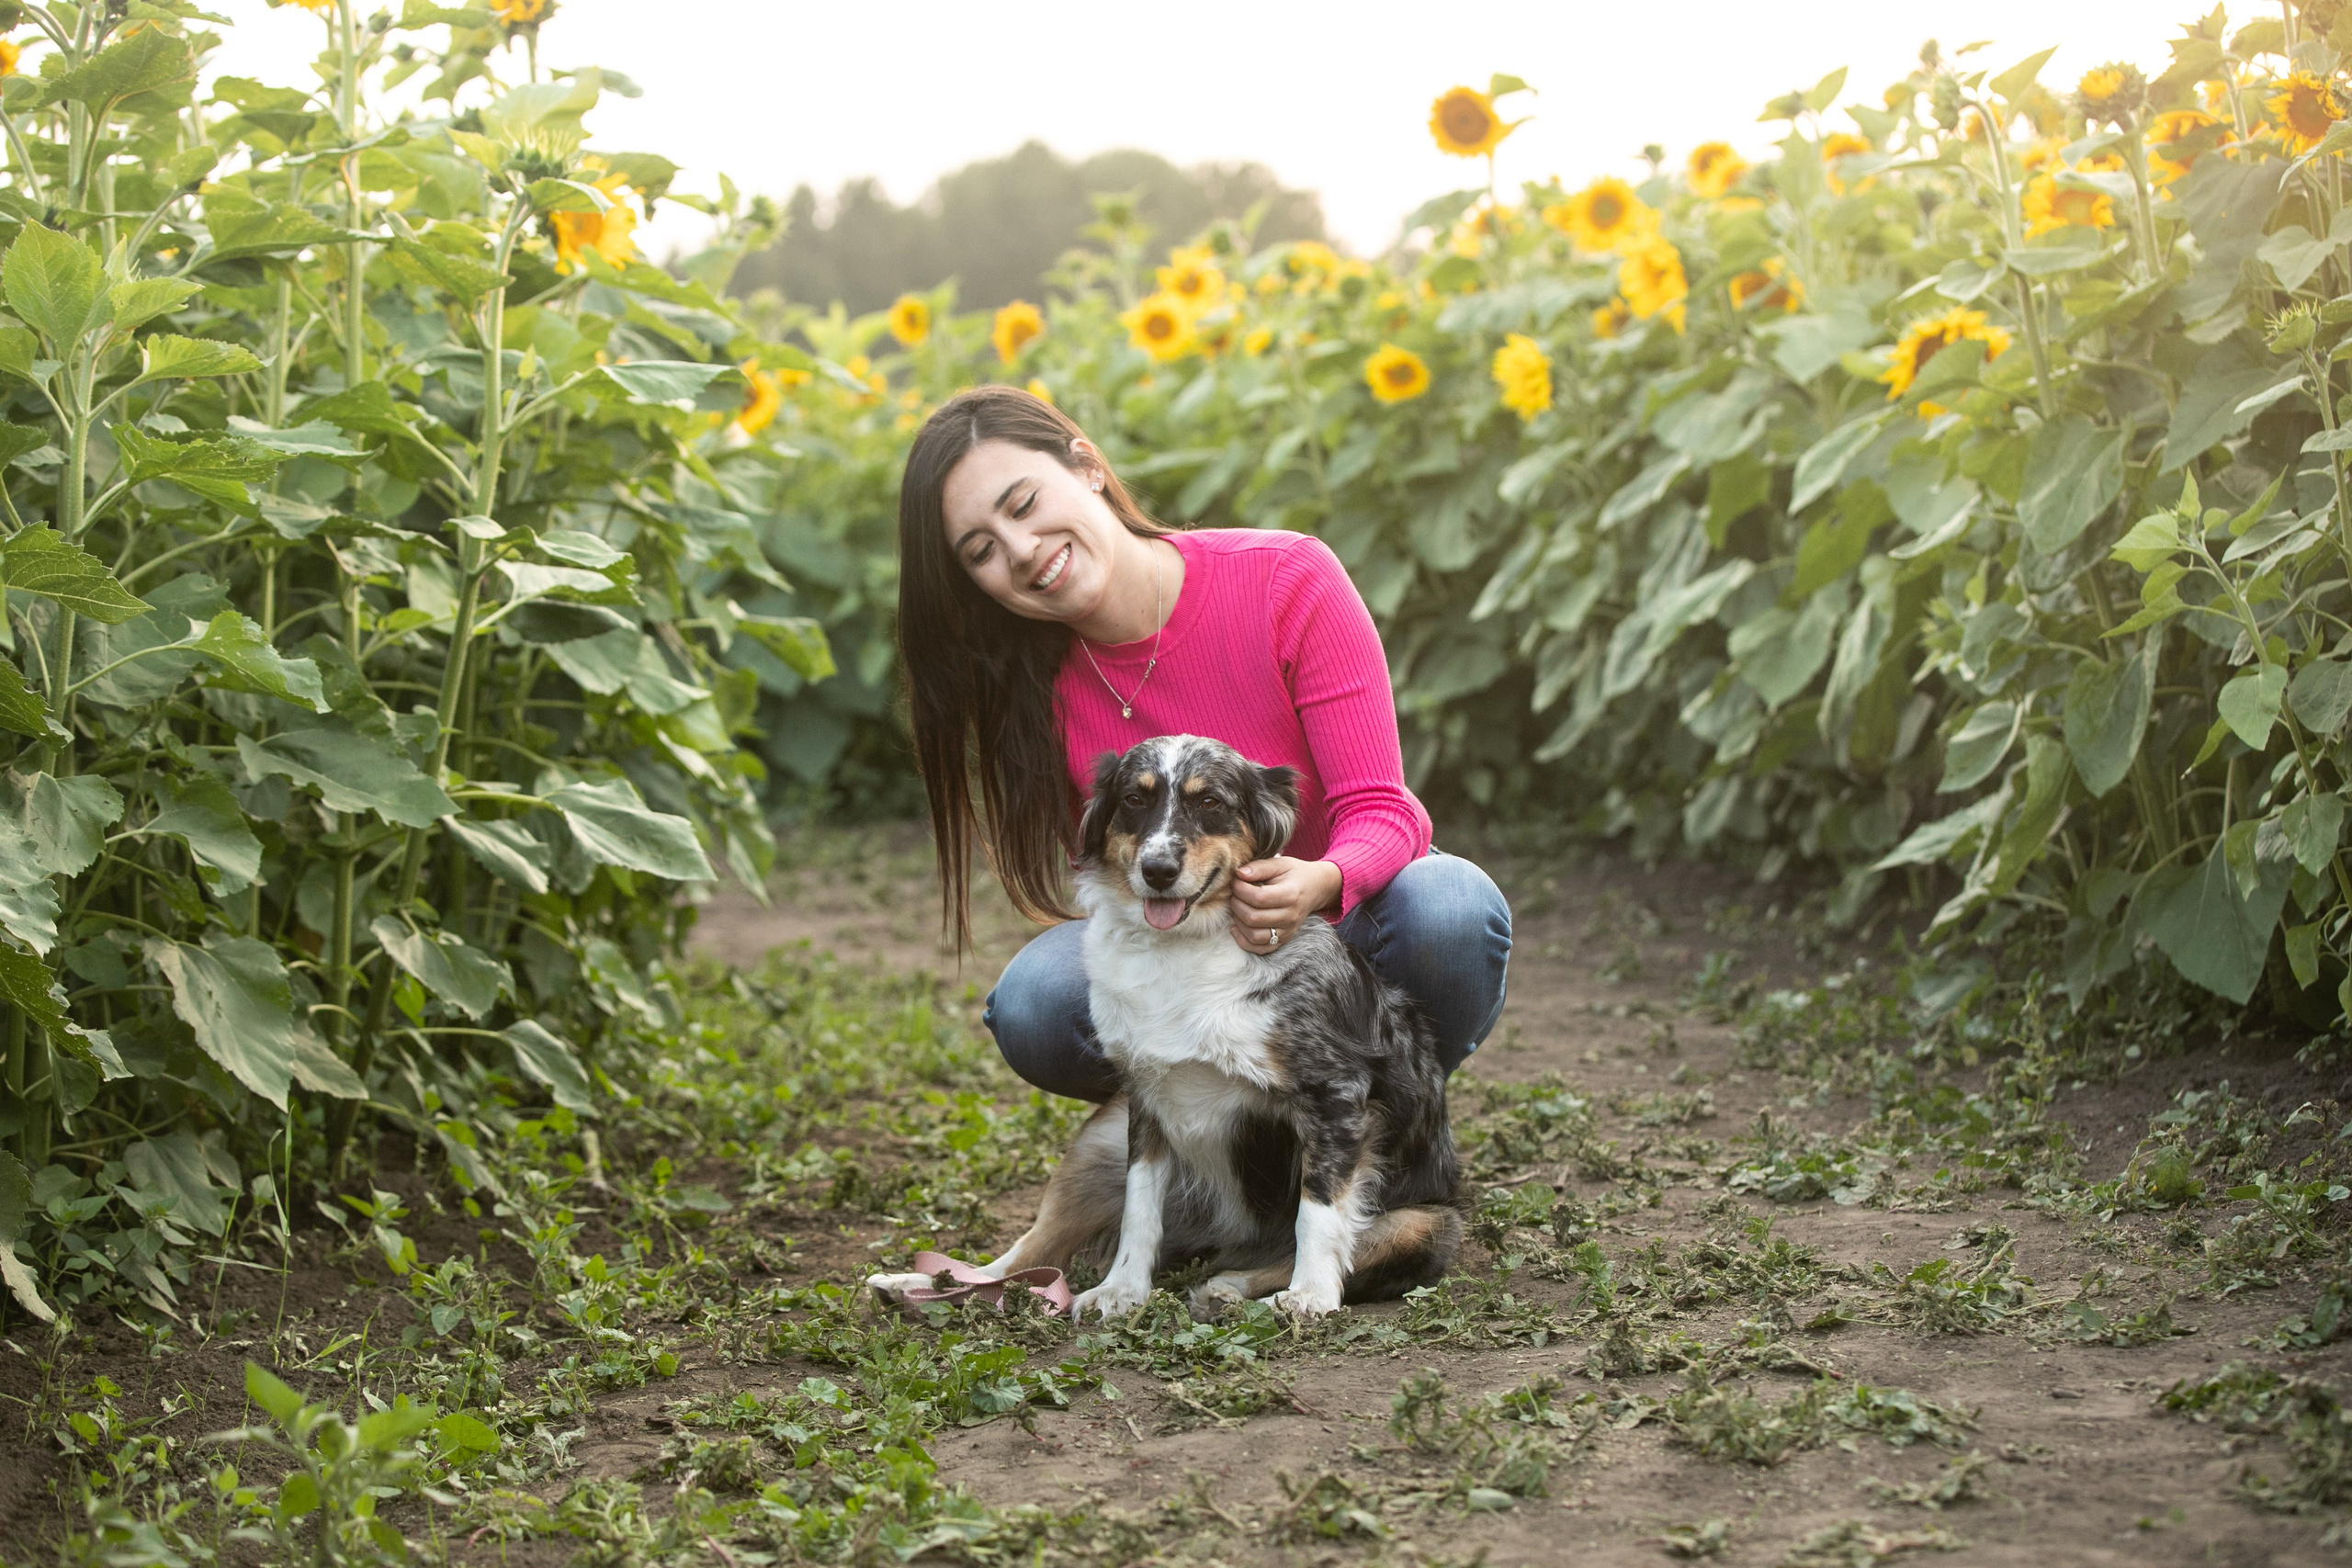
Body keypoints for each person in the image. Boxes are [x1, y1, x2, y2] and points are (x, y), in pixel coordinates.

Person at [896, 384, 1510, 1103]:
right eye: (981, 551)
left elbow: (1382, 807)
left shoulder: (1286, 577)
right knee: (1036, 1002)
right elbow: (1110, 868)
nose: (1022, 550)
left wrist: (1321, 880)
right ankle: (1229, 1135)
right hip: (1190, 947)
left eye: (1024, 504)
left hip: (1348, 929)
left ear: (1086, 466)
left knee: (1448, 908)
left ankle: (1386, 1124)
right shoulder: (1031, 688)